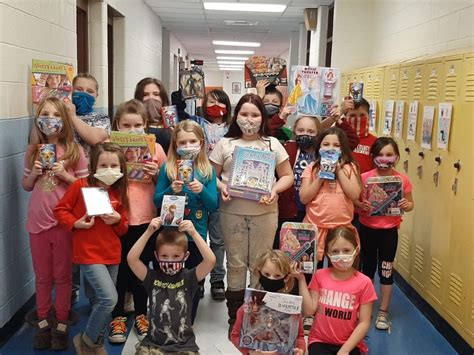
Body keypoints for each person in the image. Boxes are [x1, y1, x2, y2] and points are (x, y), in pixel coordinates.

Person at [209, 93, 294, 336]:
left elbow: (287, 176)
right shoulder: (225, 144)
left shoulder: (272, 144)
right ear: (236, 117)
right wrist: (222, 187)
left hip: (265, 213)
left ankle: (256, 316)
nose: (249, 120)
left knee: (260, 264)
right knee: (235, 263)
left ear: (263, 117)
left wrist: (275, 190)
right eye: (244, 114)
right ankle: (235, 318)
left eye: (255, 115)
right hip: (231, 212)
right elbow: (210, 175)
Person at [22, 97, 88, 350]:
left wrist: (64, 175)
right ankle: (42, 325)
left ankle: (61, 324)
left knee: (62, 277)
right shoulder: (32, 151)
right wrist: (36, 173)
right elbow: (26, 186)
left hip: (62, 224)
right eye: (45, 114)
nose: (50, 119)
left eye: (55, 114)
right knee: (42, 277)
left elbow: (84, 187)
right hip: (37, 223)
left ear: (64, 120)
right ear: (38, 120)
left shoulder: (74, 150)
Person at [54, 143, 129, 354]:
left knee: (101, 302)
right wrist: (75, 223)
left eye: (114, 165)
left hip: (112, 253)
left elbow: (123, 229)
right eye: (103, 164)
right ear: (93, 165)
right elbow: (60, 210)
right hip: (87, 252)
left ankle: (96, 344)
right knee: (109, 299)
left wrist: (116, 220)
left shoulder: (119, 191)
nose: (109, 169)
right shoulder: (80, 185)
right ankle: (86, 339)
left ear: (121, 168)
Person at [108, 99, 166, 344]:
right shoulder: (109, 149)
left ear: (146, 127)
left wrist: (154, 177)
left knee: (141, 270)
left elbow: (164, 189)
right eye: (126, 125)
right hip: (117, 218)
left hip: (146, 219)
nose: (132, 130)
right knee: (119, 270)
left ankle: (142, 313)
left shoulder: (156, 151)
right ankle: (118, 315)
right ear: (117, 126)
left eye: (138, 125)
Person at [154, 120, 218, 324]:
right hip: (171, 235)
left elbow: (213, 205)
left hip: (196, 235)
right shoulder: (168, 168)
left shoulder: (208, 170)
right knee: (170, 277)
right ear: (175, 144)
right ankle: (169, 313)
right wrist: (170, 190)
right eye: (183, 142)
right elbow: (156, 200)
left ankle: (188, 319)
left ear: (200, 142)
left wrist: (203, 190)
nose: (188, 146)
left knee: (193, 279)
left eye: (192, 141)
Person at [172, 88, 231, 301]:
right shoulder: (199, 123)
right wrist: (179, 100)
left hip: (217, 185)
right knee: (193, 238)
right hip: (196, 182)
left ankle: (217, 279)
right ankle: (197, 278)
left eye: (220, 102)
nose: (216, 106)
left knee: (217, 239)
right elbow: (181, 120)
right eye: (211, 102)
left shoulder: (232, 128)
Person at [127, 218, 216, 354]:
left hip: (184, 345)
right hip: (154, 344)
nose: (169, 260)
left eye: (175, 256)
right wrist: (149, 231)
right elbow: (131, 259)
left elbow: (210, 260)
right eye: (164, 255)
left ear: (185, 256)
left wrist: (194, 233)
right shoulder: (151, 277)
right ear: (156, 256)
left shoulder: (190, 277)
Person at [356, 137, 414, 331]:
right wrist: (361, 205)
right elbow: (355, 203)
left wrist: (407, 205)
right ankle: (365, 308)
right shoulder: (365, 178)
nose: (384, 158)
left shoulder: (401, 179)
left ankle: (383, 311)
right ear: (372, 157)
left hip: (389, 232)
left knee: (386, 271)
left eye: (389, 154)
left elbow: (411, 203)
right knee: (367, 269)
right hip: (367, 229)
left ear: (396, 157)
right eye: (380, 154)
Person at [295, 226, 377, 355]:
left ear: (356, 250)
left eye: (346, 250)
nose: (341, 256)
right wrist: (301, 279)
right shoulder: (319, 276)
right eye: (335, 251)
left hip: (349, 343)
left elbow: (364, 322)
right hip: (319, 341)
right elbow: (309, 310)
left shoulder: (365, 283)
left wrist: (345, 350)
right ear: (328, 253)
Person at [299, 127, 362, 264]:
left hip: (341, 228)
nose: (331, 149)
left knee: (340, 267)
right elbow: (304, 198)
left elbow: (354, 194)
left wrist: (338, 171)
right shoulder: (312, 168)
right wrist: (321, 176)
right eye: (326, 144)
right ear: (319, 147)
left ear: (343, 149)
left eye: (336, 145)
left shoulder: (349, 167)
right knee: (311, 270)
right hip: (314, 227)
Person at [230, 250, 306, 355]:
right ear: (259, 272)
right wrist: (249, 352)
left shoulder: (292, 307)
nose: (271, 279)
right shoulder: (249, 305)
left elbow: (299, 336)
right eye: (267, 274)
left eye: (278, 276)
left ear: (286, 277)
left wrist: (300, 349)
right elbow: (235, 336)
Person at [134, 77, 172, 154]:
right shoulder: (133, 123)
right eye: (145, 94)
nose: (151, 98)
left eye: (156, 94)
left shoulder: (171, 120)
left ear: (163, 98)